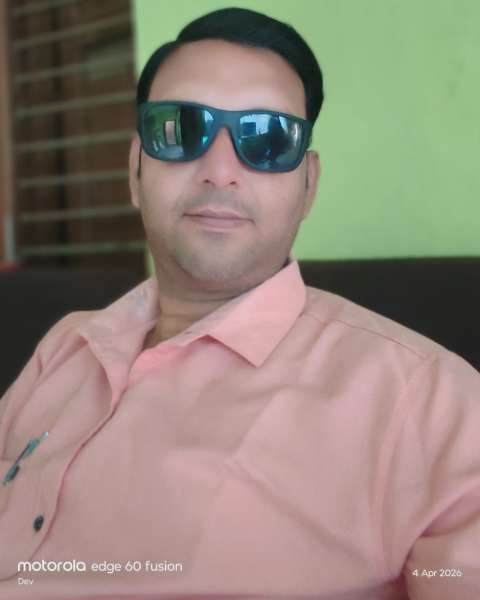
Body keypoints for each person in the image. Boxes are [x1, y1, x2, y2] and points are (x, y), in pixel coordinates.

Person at [0, 7, 479, 600]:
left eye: (268, 138)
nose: (220, 171)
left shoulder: (425, 401)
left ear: (309, 185)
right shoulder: (66, 345)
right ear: (135, 170)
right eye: (181, 128)